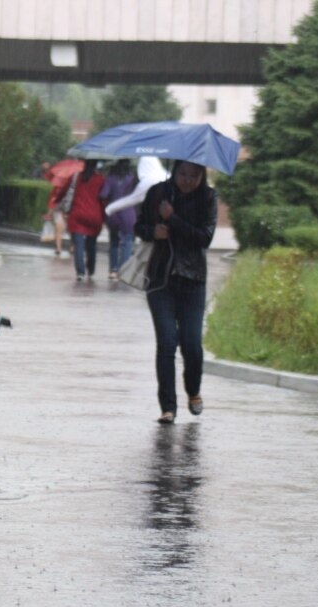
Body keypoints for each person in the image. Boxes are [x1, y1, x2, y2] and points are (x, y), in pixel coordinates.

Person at [133, 161, 216, 425]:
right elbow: (139, 226)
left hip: (193, 280)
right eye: (182, 174)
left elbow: (204, 238)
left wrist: (172, 219)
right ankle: (168, 407)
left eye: (194, 175)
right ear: (175, 171)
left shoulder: (208, 198)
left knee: (191, 343)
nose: (187, 180)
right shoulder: (158, 193)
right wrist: (152, 231)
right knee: (167, 343)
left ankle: (193, 390)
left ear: (202, 176)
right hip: (160, 280)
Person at [65, 160, 106, 281]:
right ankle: (91, 269)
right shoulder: (100, 179)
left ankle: (80, 272)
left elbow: (65, 191)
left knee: (78, 245)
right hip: (94, 215)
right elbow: (103, 198)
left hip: (77, 214)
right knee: (91, 244)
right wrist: (104, 216)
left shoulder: (77, 177)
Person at [99, 159, 137, 279]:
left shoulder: (111, 178)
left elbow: (103, 195)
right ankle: (123, 271)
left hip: (113, 214)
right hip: (129, 214)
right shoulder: (132, 179)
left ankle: (113, 270)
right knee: (128, 242)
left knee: (114, 242)